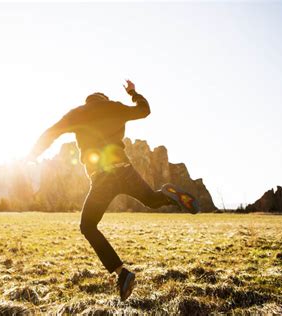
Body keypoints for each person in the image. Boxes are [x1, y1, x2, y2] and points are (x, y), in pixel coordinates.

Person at [28, 79, 199, 301]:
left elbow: (51, 132)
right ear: (104, 99)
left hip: (102, 178)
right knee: (152, 200)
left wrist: (32, 155)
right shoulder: (115, 107)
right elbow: (144, 111)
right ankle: (167, 192)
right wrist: (133, 92)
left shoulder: (78, 113)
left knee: (88, 227)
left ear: (88, 101)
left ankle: (122, 273)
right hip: (125, 169)